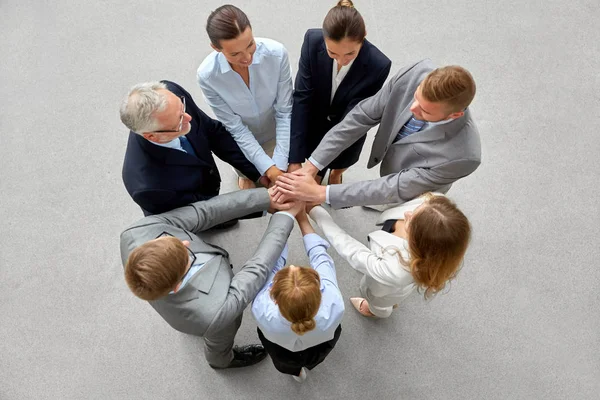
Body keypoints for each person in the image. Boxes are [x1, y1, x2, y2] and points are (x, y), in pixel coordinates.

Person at [120, 188, 301, 369]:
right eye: (186, 257)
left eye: (173, 239)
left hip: (169, 300)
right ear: (176, 286)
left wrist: (266, 197)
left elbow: (204, 211)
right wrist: (284, 218)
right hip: (209, 320)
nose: (186, 242)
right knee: (220, 341)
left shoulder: (135, 232)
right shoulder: (214, 313)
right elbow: (257, 269)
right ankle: (222, 361)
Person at [275, 61, 481, 209]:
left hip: (415, 192)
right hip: (393, 174)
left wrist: (321, 193)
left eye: (425, 111)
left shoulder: (464, 157)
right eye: (416, 97)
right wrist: (313, 166)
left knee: (396, 216)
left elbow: (397, 186)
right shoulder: (414, 73)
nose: (413, 109)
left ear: (455, 115)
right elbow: (362, 116)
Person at [308, 193, 471, 318]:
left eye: (412, 221)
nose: (407, 213)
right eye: (416, 210)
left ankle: (376, 311)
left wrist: (315, 212)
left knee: (379, 302)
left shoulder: (394, 269)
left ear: (418, 242)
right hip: (395, 280)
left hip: (383, 290)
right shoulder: (437, 203)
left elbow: (348, 247)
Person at [120, 80, 261, 216]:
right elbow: (202, 211)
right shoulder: (149, 188)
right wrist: (263, 204)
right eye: (179, 121)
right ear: (152, 136)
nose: (188, 118)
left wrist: (260, 174)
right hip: (193, 209)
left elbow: (214, 133)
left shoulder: (172, 95)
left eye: (182, 108)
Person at [289, 0, 391, 185]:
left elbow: (354, 117)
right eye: (333, 53)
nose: (342, 61)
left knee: (341, 162)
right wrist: (294, 160)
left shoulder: (379, 65)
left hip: (349, 128)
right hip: (315, 121)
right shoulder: (312, 41)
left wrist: (317, 167)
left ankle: (336, 173)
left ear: (364, 36)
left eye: (350, 54)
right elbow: (302, 96)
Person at [197, 4, 293, 190]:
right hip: (241, 139)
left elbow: (284, 113)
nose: (247, 57)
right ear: (216, 48)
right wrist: (268, 168)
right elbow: (236, 128)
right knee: (249, 179)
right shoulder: (208, 76)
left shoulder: (277, 54)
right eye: (235, 54)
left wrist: (278, 166)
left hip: (277, 132)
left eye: (250, 45)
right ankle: (244, 173)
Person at [252, 208, 344, 382]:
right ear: (319, 291)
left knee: (285, 364)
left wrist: (283, 221)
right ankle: (309, 365)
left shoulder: (261, 308)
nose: (293, 266)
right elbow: (320, 257)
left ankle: (297, 373)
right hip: (321, 344)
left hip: (280, 349)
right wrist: (302, 218)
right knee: (316, 357)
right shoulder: (334, 302)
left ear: (274, 295)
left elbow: (273, 262)